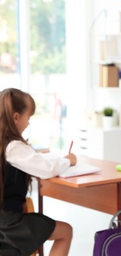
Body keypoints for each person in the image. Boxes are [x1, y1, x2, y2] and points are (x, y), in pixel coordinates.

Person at [0, 88, 77, 255]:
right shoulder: (13, 146)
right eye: (28, 118)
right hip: (8, 224)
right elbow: (47, 170)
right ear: (16, 117)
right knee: (65, 232)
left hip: (5, 220)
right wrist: (68, 160)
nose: (28, 123)